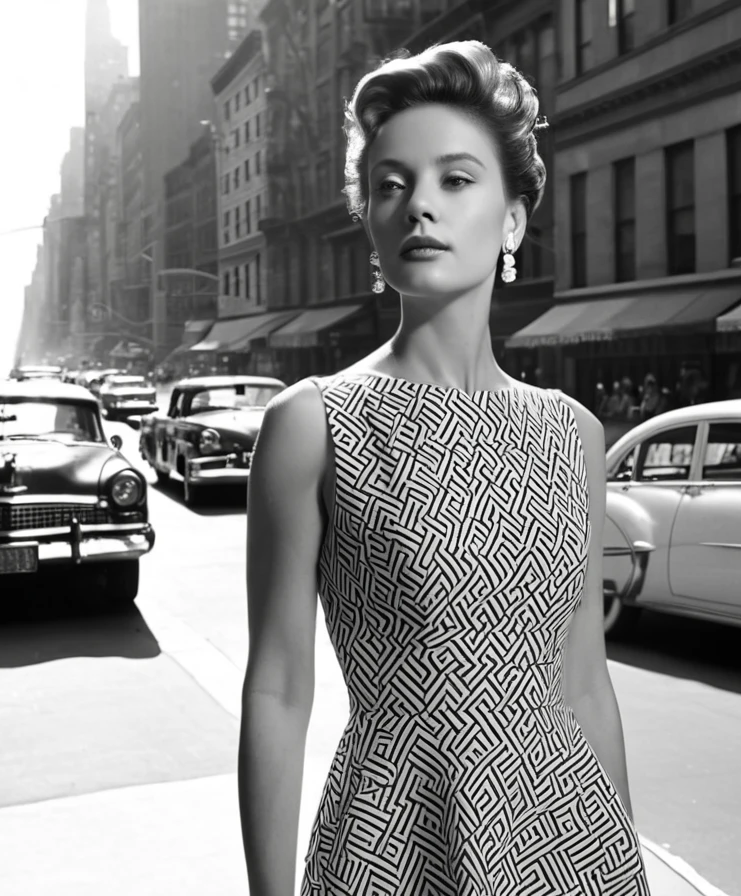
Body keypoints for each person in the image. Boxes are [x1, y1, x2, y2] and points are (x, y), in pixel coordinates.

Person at [239, 41, 649, 896]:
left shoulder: (571, 434)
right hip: (388, 842)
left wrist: (623, 865)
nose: (419, 205)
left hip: (569, 841)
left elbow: (583, 684)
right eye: (391, 184)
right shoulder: (310, 426)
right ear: (369, 219)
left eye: (456, 180)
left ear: (512, 221)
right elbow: (278, 689)